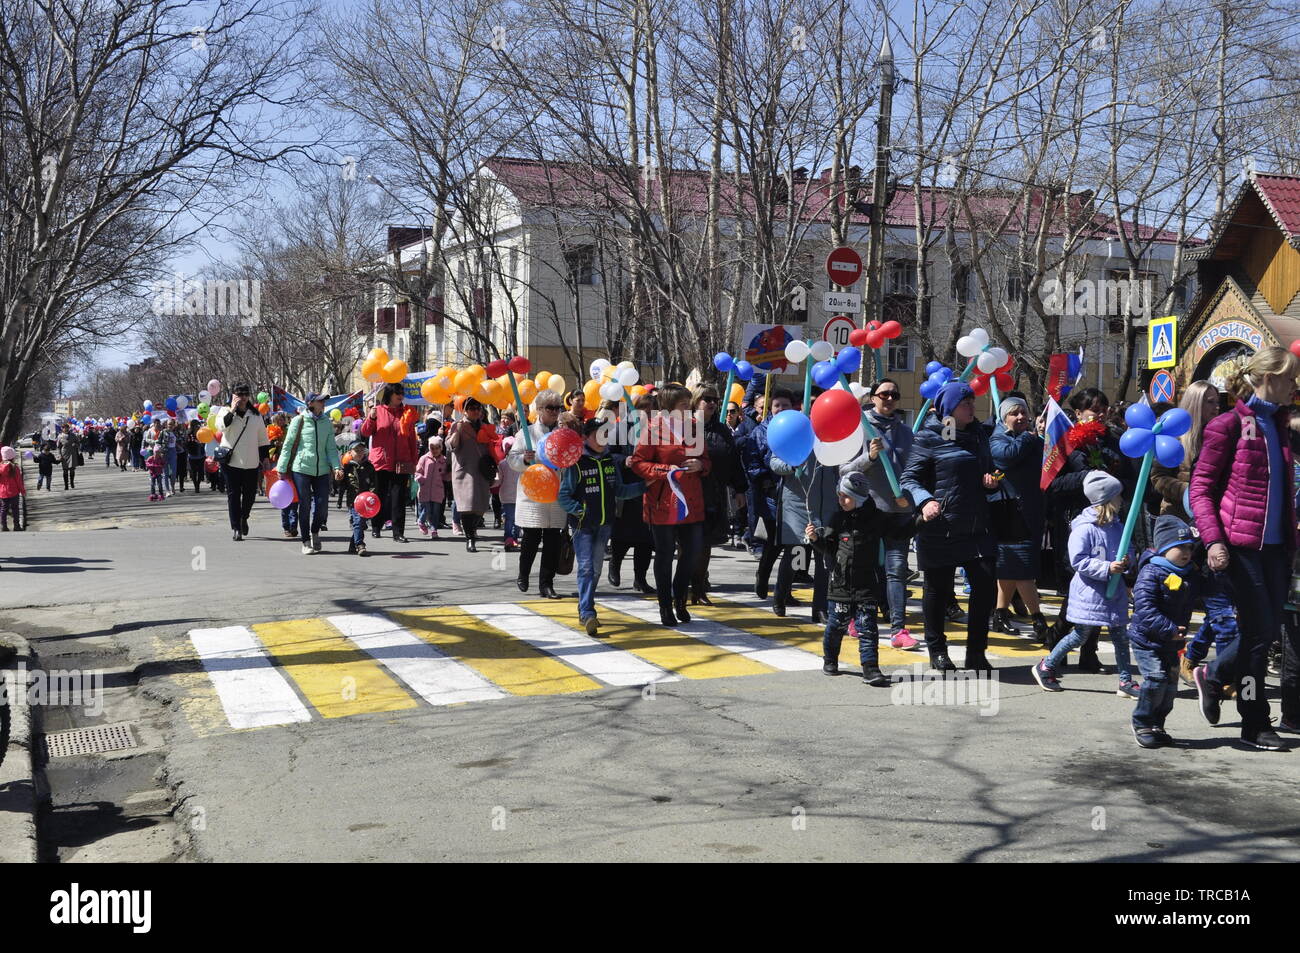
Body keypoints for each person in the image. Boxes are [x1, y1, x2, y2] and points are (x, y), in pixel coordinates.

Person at [1189, 345, 1300, 751]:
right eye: (1290, 378)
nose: (1295, 386)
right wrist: (1213, 540)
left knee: (1265, 631)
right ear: (1268, 378)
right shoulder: (1229, 425)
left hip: (1276, 548)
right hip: (1240, 546)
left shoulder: (1282, 426)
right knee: (1258, 636)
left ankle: (1215, 675)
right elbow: (1199, 488)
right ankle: (1254, 721)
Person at [900, 382, 999, 672]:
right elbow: (909, 479)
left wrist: (992, 480)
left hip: (977, 524)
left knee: (985, 587)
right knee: (937, 590)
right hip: (940, 525)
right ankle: (937, 650)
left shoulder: (978, 434)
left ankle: (976, 653)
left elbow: (989, 468)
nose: (972, 408)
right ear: (948, 409)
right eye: (965, 403)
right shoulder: (929, 436)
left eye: (972, 402)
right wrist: (925, 501)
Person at [1030, 472, 1137, 695]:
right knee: (1080, 635)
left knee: (1120, 636)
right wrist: (1107, 568)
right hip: (1090, 593)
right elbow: (1078, 560)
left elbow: (1129, 549)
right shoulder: (1084, 528)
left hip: (1113, 593)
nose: (1122, 500)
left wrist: (1127, 561)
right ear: (1105, 499)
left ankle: (1125, 681)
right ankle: (1046, 665)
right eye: (1118, 496)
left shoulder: (1118, 527)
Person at [843, 378, 918, 649]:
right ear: (872, 397)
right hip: (869, 510)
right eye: (884, 394)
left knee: (897, 570)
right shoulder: (860, 427)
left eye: (894, 395)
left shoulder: (907, 433)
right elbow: (844, 470)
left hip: (899, 512)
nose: (889, 399)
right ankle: (858, 618)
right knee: (865, 569)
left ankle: (898, 629)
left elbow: (915, 470)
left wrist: (908, 497)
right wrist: (870, 458)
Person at [630, 382, 712, 626]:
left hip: (691, 502)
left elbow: (706, 460)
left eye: (690, 404)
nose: (689, 409)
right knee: (665, 555)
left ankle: (680, 599)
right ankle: (665, 605)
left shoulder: (695, 427)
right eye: (684, 405)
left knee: (692, 553)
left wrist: (701, 466)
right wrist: (665, 470)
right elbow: (637, 462)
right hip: (663, 501)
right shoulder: (653, 429)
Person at [560, 418, 642, 636]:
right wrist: (580, 510)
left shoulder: (609, 461)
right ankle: (588, 612)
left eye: (606, 434)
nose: (604, 438)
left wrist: (645, 486)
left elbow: (620, 491)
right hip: (582, 525)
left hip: (605, 524)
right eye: (599, 433)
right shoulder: (576, 462)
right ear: (586, 437)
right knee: (586, 566)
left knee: (596, 568)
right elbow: (563, 496)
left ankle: (585, 606)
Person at [811, 471, 889, 685]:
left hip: (866, 586)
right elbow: (828, 548)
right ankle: (830, 659)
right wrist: (815, 539)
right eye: (839, 495)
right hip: (840, 586)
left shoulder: (877, 518)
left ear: (860, 497)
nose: (841, 500)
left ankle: (870, 668)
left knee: (868, 629)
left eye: (846, 496)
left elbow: (899, 531)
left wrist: (921, 519)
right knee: (836, 626)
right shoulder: (837, 518)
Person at [1129, 516, 1199, 748]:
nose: (1187, 552)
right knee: (1156, 679)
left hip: (1171, 643)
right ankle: (1142, 722)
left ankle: (1158, 723)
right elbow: (1145, 609)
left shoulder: (1188, 573)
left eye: (1189, 547)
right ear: (1164, 548)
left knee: (1170, 686)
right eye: (1180, 547)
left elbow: (1208, 590)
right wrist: (1168, 629)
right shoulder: (1151, 573)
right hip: (1148, 640)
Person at [988, 396, 1049, 641]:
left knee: (1011, 568)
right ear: (1004, 418)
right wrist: (1030, 435)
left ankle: (1000, 613)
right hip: (1010, 512)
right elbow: (1006, 456)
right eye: (1014, 413)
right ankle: (1039, 620)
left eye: (1024, 412)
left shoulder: (1033, 440)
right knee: (1023, 569)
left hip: (1031, 510)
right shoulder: (998, 438)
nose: (1021, 417)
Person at [690, 385, 747, 605]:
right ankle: (685, 582)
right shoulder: (684, 427)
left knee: (705, 543)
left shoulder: (723, 430)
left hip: (713, 493)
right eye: (707, 399)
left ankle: (698, 586)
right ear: (696, 401)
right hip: (687, 493)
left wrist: (739, 488)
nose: (712, 403)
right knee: (687, 544)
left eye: (716, 398)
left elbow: (733, 461)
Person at [508, 395, 568, 594]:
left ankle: (546, 584)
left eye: (557, 408)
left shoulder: (563, 434)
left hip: (556, 493)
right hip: (533, 494)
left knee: (553, 541)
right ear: (540, 409)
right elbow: (512, 460)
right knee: (531, 539)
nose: (554, 411)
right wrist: (524, 459)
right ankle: (523, 574)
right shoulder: (527, 433)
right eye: (550, 407)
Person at [741, 389, 793, 595]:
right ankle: (763, 576)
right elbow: (751, 460)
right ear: (770, 409)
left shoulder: (799, 427)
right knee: (775, 542)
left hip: (796, 495)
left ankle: (786, 590)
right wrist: (765, 483)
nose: (781, 409)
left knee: (795, 546)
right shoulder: (761, 431)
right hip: (771, 495)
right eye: (777, 405)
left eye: (785, 405)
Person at [277, 394, 344, 555]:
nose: (323, 403)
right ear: (310, 403)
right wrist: (281, 467)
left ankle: (315, 531)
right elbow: (288, 445)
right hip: (301, 468)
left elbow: (331, 449)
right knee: (305, 505)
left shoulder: (326, 423)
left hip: (321, 470)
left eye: (324, 400)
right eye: (320, 400)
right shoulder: (298, 421)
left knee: (322, 506)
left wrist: (336, 467)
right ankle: (306, 540)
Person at [608, 392, 656, 593]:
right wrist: (624, 461)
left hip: (650, 486)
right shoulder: (621, 428)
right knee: (623, 535)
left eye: (652, 411)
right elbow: (609, 455)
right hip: (626, 489)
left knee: (646, 539)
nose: (648, 415)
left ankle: (640, 578)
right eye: (644, 411)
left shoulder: (656, 431)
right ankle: (614, 564)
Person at [360, 382, 419, 543]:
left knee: (399, 497)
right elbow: (365, 432)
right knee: (379, 495)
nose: (400, 395)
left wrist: (414, 460)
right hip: (381, 461)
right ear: (389, 394)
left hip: (402, 461)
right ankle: (376, 526)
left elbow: (412, 439)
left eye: (402, 392)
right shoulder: (378, 411)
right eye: (397, 392)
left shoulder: (407, 413)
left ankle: (398, 532)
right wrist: (371, 417)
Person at [215, 383, 271, 542]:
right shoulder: (225, 411)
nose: (243, 398)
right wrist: (232, 409)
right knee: (233, 495)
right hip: (231, 462)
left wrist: (265, 458)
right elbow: (221, 427)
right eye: (239, 394)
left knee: (250, 496)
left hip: (251, 462)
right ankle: (236, 528)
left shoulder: (255, 415)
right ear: (233, 395)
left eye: (245, 394)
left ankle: (243, 517)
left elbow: (263, 438)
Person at [445, 397, 493, 552]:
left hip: (482, 470)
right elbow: (450, 445)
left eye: (478, 408)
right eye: (472, 408)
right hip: (464, 471)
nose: (476, 411)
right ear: (465, 410)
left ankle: (472, 529)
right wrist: (456, 432)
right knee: (467, 506)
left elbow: (492, 446)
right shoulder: (457, 425)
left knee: (481, 506)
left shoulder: (486, 426)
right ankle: (470, 538)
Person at [342, 444, 377, 557]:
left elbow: (374, 483)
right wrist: (338, 479)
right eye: (356, 450)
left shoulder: (369, 466)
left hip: (366, 501)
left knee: (361, 523)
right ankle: (360, 544)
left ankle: (353, 545)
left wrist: (372, 494)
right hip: (353, 501)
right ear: (350, 453)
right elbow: (342, 485)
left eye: (362, 450)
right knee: (358, 521)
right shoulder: (347, 467)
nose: (359, 452)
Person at [415, 437, 448, 538]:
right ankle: (421, 521)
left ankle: (434, 529)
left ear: (441, 448)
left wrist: (450, 476)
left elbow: (444, 475)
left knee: (436, 511)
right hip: (425, 489)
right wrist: (421, 479)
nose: (435, 450)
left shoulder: (444, 460)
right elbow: (417, 472)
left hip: (437, 490)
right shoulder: (424, 458)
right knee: (427, 509)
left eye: (437, 448)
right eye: (432, 448)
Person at [0, 447, 25, 530]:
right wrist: (22, 491)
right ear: (12, 457)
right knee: (15, 509)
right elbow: (19, 481)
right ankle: (16, 526)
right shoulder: (15, 468)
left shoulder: (0, 467)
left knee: (3, 509)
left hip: (3, 492)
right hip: (14, 492)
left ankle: (4, 526)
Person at [57, 424, 81, 490]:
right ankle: (66, 485)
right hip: (64, 454)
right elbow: (58, 447)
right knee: (65, 470)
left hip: (72, 453)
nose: (66, 429)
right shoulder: (60, 436)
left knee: (72, 469)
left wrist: (75, 444)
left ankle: (72, 482)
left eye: (67, 428)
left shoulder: (73, 435)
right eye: (64, 428)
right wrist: (59, 455)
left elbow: (78, 443)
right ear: (62, 429)